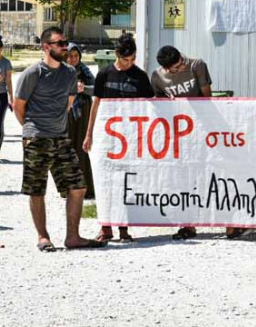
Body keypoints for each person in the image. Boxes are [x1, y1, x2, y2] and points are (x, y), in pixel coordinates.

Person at [14, 27, 104, 251]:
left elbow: (70, 100)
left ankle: (72, 237)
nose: (65, 47)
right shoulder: (33, 73)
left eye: (65, 43)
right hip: (37, 137)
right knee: (37, 189)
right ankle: (43, 237)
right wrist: (32, 129)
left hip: (60, 137)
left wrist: (56, 123)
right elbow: (18, 107)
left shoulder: (70, 73)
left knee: (78, 186)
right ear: (47, 47)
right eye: (60, 44)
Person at [84, 33, 153, 243]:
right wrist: (89, 133)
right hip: (106, 137)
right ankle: (106, 227)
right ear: (117, 55)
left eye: (133, 59)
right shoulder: (104, 74)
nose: (129, 63)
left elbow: (150, 107)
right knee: (104, 181)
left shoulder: (140, 76)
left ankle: (124, 228)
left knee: (127, 181)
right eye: (126, 60)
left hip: (131, 138)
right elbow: (95, 104)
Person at [151, 45, 214, 241]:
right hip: (178, 134)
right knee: (181, 178)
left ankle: (224, 222)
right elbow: (158, 103)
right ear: (167, 70)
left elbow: (207, 98)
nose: (181, 68)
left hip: (200, 129)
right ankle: (187, 223)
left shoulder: (197, 65)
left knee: (208, 174)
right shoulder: (157, 77)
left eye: (181, 63)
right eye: (176, 68)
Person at [65, 43, 95, 199]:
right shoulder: (60, 70)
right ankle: (68, 188)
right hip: (66, 112)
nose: (73, 59)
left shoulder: (84, 70)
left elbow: (96, 88)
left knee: (82, 149)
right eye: (70, 55)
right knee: (67, 148)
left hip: (83, 111)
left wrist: (84, 89)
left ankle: (85, 188)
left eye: (76, 56)